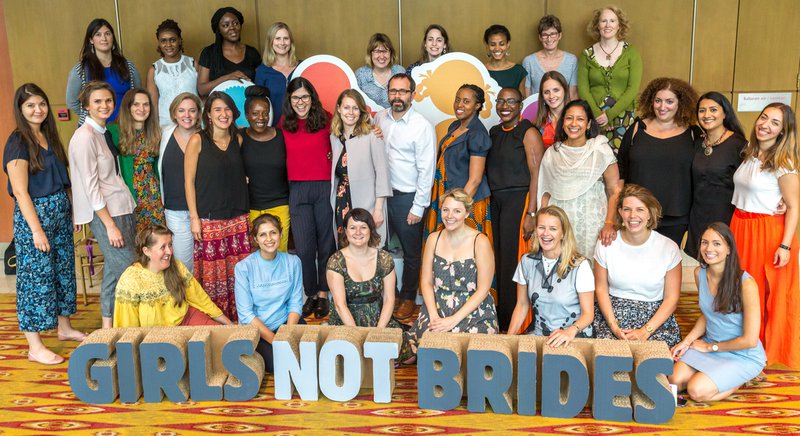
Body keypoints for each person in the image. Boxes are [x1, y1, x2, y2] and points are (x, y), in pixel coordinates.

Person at [3, 83, 85, 365]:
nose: (37, 110)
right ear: (21, 109)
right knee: (35, 281)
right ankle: (35, 346)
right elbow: (21, 191)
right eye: (30, 105)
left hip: (60, 214)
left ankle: (64, 327)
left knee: (63, 272)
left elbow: (64, 180)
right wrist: (36, 231)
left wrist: (72, 212)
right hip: (34, 220)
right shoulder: (18, 142)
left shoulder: (49, 135)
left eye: (41, 104)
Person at [730, 103, 799, 368]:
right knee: (741, 289)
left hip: (765, 232)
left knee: (761, 292)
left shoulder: (784, 163)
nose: (765, 125)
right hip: (740, 226)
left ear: (783, 131)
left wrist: (785, 246)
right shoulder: (750, 152)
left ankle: (763, 351)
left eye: (775, 123)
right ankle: (743, 343)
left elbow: (794, 206)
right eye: (764, 118)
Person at [670, 223, 765, 402]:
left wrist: (710, 347)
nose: (709, 248)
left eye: (717, 243)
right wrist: (686, 342)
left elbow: (750, 341)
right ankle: (718, 376)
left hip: (742, 353)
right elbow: (708, 314)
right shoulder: (699, 273)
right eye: (704, 242)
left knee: (696, 391)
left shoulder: (746, 284)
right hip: (710, 344)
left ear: (729, 249)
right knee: (674, 379)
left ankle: (742, 378)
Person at [68, 81, 137, 329]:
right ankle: (136, 326)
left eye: (108, 100)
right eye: (97, 101)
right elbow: (90, 187)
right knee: (130, 271)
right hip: (107, 214)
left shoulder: (103, 132)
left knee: (112, 272)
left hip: (122, 207)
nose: (104, 105)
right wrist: (109, 225)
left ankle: (107, 328)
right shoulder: (84, 138)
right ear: (86, 106)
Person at [374, 73, 437, 320]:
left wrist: (418, 206)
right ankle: (384, 296)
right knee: (378, 247)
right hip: (381, 195)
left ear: (413, 95)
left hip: (407, 198)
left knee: (411, 253)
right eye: (393, 91)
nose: (397, 96)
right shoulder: (380, 118)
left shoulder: (422, 126)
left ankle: (408, 297)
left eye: (403, 91)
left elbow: (426, 170)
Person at [184, 91, 251, 322]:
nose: (223, 114)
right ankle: (216, 323)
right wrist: (194, 218)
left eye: (227, 109)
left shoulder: (238, 139)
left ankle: (241, 320)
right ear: (209, 115)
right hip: (210, 219)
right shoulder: (197, 140)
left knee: (239, 274)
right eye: (218, 110)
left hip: (238, 217)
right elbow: (188, 181)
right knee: (214, 279)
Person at [408, 189, 499, 352]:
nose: (450, 216)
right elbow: (426, 282)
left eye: (457, 211)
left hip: (473, 309)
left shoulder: (480, 241)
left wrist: (453, 320)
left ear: (467, 213)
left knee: (472, 352)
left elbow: (483, 290)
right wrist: (433, 315)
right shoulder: (433, 239)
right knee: (422, 350)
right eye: (446, 210)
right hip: (438, 305)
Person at [593, 184, 682, 347]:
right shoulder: (606, 244)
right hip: (612, 315)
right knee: (609, 356)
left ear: (650, 213)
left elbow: (672, 299)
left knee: (654, 359)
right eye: (627, 209)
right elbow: (601, 289)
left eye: (640, 209)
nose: (632, 215)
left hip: (655, 319)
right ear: (620, 212)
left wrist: (645, 331)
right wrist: (614, 327)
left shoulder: (669, 248)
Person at [487, 87, 544, 328]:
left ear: (521, 106)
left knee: (513, 261)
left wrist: (531, 213)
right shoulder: (494, 132)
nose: (505, 106)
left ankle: (518, 323)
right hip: (496, 202)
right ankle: (500, 319)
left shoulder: (528, 132)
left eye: (511, 101)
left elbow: (537, 174)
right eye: (501, 101)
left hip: (518, 201)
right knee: (498, 260)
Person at [618, 77, 699, 247]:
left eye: (669, 101)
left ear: (680, 103)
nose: (662, 107)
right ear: (651, 101)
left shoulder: (693, 133)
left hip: (676, 217)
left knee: (668, 260)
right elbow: (621, 171)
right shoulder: (636, 129)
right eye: (658, 101)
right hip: (637, 214)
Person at [280, 77, 336, 318]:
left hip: (324, 187)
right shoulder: (284, 123)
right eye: (296, 98)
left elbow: (349, 133)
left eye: (305, 96)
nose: (300, 102)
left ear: (312, 98)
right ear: (289, 100)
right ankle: (310, 293)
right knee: (304, 248)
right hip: (297, 189)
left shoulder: (327, 119)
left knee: (326, 244)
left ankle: (323, 293)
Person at [538, 99, 621, 259]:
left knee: (591, 270)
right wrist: (543, 226)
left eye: (580, 119)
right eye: (569, 118)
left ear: (588, 124)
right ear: (563, 122)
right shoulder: (552, 153)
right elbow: (545, 193)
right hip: (559, 226)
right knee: (561, 267)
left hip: (593, 227)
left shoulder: (600, 150)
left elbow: (614, 190)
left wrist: (609, 224)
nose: (574, 123)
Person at [326, 209, 412, 361]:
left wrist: (378, 333)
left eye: (363, 227)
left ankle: (409, 339)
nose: (358, 232)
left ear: (371, 230)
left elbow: (389, 299)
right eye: (353, 227)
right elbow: (340, 305)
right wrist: (357, 337)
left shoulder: (384, 258)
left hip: (377, 318)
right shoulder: (336, 261)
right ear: (345, 231)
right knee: (351, 359)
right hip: (346, 320)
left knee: (408, 358)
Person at [114, 225, 232, 328]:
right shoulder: (131, 280)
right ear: (146, 251)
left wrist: (229, 325)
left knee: (218, 336)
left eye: (170, 245)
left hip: (187, 318)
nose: (169, 251)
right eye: (163, 247)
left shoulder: (177, 266)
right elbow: (127, 327)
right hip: (156, 337)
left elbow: (199, 298)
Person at [507, 206, 595, 343]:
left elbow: (588, 314)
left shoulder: (580, 265)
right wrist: (508, 340)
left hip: (574, 337)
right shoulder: (526, 261)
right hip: (540, 335)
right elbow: (522, 305)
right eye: (541, 227)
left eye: (553, 229)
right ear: (536, 230)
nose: (546, 233)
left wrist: (569, 332)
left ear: (563, 233)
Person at [235, 213, 304, 373]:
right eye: (263, 234)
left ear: (280, 234)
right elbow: (246, 314)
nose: (269, 238)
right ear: (255, 239)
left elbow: (295, 303)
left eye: (273, 232)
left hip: (286, 323)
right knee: (279, 364)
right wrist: (278, 341)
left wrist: (287, 334)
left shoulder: (293, 262)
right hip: (258, 330)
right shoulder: (244, 268)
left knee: (308, 354)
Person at [425, 84, 492, 239]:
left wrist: (458, 208)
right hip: (447, 195)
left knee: (463, 244)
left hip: (466, 199)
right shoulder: (455, 126)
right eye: (457, 100)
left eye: (466, 101)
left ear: (477, 106)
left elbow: (475, 180)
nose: (459, 105)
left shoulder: (477, 134)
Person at [685, 92, 747, 258]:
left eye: (713, 110)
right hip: (698, 216)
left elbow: (753, 179)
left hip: (725, 217)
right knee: (703, 262)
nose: (707, 115)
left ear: (725, 113)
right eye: (702, 110)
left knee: (723, 263)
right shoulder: (699, 142)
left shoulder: (739, 145)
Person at [330, 89, 391, 244]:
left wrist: (378, 209)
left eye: (355, 108)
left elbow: (382, 174)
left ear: (361, 111)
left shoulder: (372, 135)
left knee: (368, 248)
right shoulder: (334, 138)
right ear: (339, 109)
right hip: (342, 202)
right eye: (346, 107)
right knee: (346, 248)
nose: (351, 112)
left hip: (368, 204)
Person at [577, 5, 642, 150]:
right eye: (603, 21)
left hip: (623, 115)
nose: (608, 25)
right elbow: (583, 90)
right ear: (597, 25)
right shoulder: (586, 55)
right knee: (596, 157)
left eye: (612, 21)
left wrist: (610, 115)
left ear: (619, 25)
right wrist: (599, 116)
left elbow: (633, 89)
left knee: (622, 158)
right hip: (595, 117)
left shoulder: (631, 52)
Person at [241, 86, 290, 251]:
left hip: (280, 205)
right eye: (255, 113)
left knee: (279, 253)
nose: (261, 118)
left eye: (265, 113)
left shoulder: (281, 136)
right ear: (247, 115)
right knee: (254, 256)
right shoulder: (239, 138)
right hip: (250, 208)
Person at [158, 93, 203, 273]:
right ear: (174, 113)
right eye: (181, 110)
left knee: (206, 263)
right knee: (183, 265)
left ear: (199, 114)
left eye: (192, 110)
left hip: (204, 210)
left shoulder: (206, 136)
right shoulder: (163, 134)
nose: (187, 115)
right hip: (175, 210)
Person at [66, 18, 141, 125]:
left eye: (107, 34)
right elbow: (72, 102)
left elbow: (138, 96)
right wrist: (94, 115)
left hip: (125, 127)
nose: (104, 38)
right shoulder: (81, 70)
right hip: (94, 129)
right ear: (91, 40)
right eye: (98, 34)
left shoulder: (128, 66)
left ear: (112, 37)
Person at [117, 89, 164, 234]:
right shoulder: (114, 131)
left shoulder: (155, 132)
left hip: (153, 194)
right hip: (130, 194)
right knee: (135, 238)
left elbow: (156, 167)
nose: (141, 109)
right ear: (128, 107)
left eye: (146, 104)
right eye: (136, 104)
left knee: (155, 237)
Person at [197, 7, 262, 96]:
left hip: (248, 102)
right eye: (225, 25)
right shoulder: (209, 53)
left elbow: (261, 84)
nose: (232, 28)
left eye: (236, 23)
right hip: (220, 103)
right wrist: (227, 78)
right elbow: (202, 90)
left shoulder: (252, 53)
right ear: (219, 30)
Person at [145, 19, 198, 127]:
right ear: (159, 43)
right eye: (163, 41)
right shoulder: (154, 70)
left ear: (180, 40)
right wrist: (155, 129)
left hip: (193, 123)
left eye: (172, 40)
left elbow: (202, 96)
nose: (168, 44)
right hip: (166, 125)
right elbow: (153, 105)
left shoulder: (193, 64)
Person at [522, 15, 578, 100]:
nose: (549, 39)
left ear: (560, 35)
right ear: (540, 37)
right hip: (537, 108)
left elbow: (573, 95)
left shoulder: (571, 60)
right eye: (545, 35)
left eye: (553, 34)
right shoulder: (529, 61)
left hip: (563, 108)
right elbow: (526, 97)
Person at [255, 22, 298, 125]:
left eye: (286, 38)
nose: (282, 43)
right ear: (271, 42)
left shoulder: (302, 66)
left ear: (291, 41)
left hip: (301, 127)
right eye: (278, 38)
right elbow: (258, 103)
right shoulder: (262, 71)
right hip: (274, 128)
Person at [355, 33, 405, 109]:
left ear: (391, 53)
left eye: (385, 51)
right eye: (377, 51)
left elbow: (407, 98)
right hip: (369, 116)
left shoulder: (400, 71)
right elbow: (355, 103)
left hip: (397, 115)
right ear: (370, 54)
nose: (382, 56)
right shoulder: (360, 75)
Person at [483, 24, 527, 95]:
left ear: (508, 44)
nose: (497, 48)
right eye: (493, 44)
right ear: (487, 45)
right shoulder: (481, 70)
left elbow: (523, 99)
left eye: (502, 44)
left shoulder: (519, 71)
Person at [534, 71, 569, 148]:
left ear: (565, 90)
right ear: (542, 96)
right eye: (546, 92)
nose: (551, 96)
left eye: (556, 90)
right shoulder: (538, 125)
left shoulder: (577, 118)